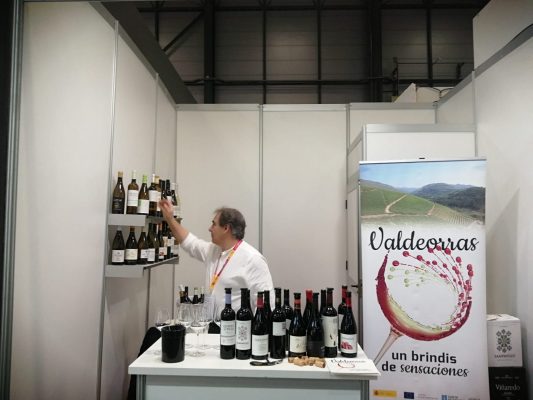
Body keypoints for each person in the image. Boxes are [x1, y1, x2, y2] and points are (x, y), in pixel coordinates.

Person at [159, 198, 274, 312]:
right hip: (211, 322)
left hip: (236, 323)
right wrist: (170, 219)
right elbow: (190, 243)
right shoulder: (213, 250)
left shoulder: (252, 259)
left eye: (214, 224)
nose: (210, 229)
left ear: (226, 228)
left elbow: (267, 305)